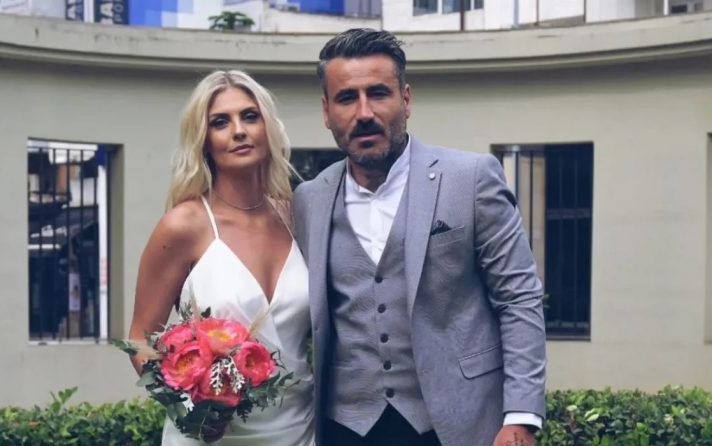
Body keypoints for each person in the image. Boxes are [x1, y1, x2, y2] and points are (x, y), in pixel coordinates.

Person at [292, 29, 547, 446]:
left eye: (378, 93)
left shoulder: (471, 178)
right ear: (326, 111)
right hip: (346, 428)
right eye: (346, 98)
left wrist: (519, 417)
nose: (364, 113)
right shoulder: (309, 199)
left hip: (456, 424)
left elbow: (518, 298)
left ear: (406, 99)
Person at [128, 70, 314, 446]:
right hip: (213, 437)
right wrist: (189, 409)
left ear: (268, 127)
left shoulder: (297, 217)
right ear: (204, 140)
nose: (238, 131)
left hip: (301, 430)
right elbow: (139, 338)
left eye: (250, 116)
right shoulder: (184, 225)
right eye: (220, 122)